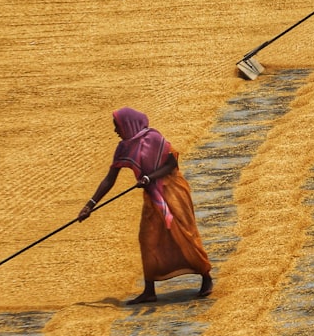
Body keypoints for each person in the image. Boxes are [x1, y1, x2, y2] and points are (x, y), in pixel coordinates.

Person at [78, 107, 213, 304]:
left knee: (185, 233)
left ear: (129, 124)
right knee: (148, 239)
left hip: (173, 190)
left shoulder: (154, 138)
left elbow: (171, 164)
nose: (116, 130)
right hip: (152, 196)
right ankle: (149, 290)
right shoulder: (123, 147)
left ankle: (206, 276)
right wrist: (89, 205)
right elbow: (109, 179)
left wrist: (150, 177)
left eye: (117, 126)